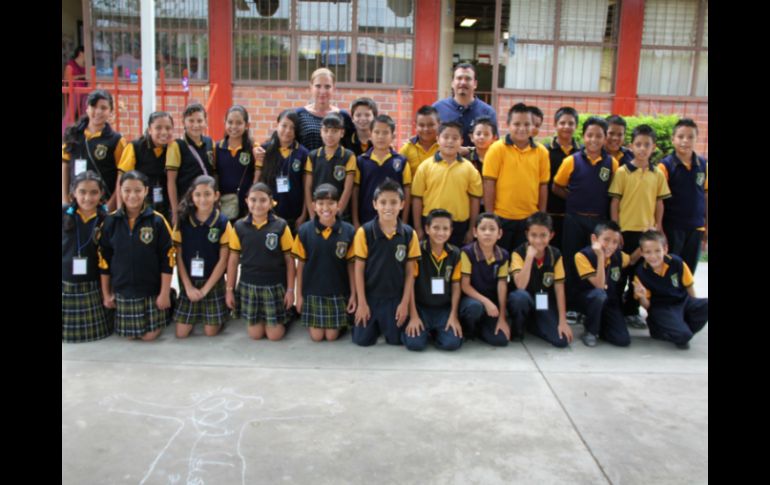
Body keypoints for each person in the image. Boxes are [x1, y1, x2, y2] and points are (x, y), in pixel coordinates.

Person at [98, 170, 175, 341]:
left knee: (149, 336)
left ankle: (170, 297)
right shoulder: (110, 222)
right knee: (130, 336)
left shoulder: (157, 221)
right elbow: (104, 260)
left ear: (146, 191)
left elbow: (167, 259)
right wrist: (107, 294)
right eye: (127, 190)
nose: (132, 195)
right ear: (120, 190)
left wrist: (163, 293)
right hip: (123, 290)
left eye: (138, 190)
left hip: (150, 290)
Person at [552, 117, 618, 311]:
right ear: (583, 136)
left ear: (605, 138)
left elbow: (613, 193)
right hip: (574, 219)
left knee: (594, 261)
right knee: (572, 261)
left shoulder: (611, 163)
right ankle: (571, 306)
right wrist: (573, 198)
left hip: (598, 222)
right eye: (589, 135)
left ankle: (590, 304)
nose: (594, 140)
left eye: (599, 136)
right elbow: (557, 186)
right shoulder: (571, 161)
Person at [609, 124, 671, 328]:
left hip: (647, 233)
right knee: (620, 272)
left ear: (654, 147)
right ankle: (615, 308)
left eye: (647, 145)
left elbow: (659, 202)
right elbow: (615, 202)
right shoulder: (622, 171)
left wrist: (658, 227)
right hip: (625, 231)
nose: (643, 149)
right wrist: (616, 230)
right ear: (631, 146)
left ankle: (632, 310)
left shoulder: (658, 174)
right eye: (638, 144)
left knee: (640, 274)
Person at [352, 179, 421, 346]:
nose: (388, 207)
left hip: (394, 298)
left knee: (396, 340)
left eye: (393, 202)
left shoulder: (409, 234)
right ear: (375, 204)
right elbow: (359, 270)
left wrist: (404, 304)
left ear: (402, 204)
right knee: (362, 340)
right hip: (370, 297)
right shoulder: (364, 232)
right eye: (383, 202)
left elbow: (410, 273)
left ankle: (386, 324)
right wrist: (361, 302)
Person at [226, 183, 295, 341]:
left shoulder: (281, 226)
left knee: (274, 335)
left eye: (263, 200)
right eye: (253, 200)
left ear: (271, 202)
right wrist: (229, 289)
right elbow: (233, 260)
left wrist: (290, 290)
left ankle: (287, 316)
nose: (258, 205)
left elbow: (290, 261)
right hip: (249, 285)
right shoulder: (239, 226)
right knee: (255, 335)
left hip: (274, 285)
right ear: (246, 201)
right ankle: (267, 318)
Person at [292, 184, 357, 342]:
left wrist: (354, 295)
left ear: (338, 205)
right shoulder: (304, 231)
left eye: (330, 203)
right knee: (317, 337)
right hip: (313, 292)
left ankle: (341, 321)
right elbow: (300, 266)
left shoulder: (348, 231)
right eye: (321, 204)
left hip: (337, 292)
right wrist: (298, 295)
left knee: (331, 336)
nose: (325, 208)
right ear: (313, 206)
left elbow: (351, 266)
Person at [482, 103, 550, 252]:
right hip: (501, 216)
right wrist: (490, 216)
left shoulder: (542, 152)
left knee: (524, 261)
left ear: (533, 126)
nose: (522, 128)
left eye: (527, 124)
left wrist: (541, 216)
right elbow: (489, 182)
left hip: (529, 218)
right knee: (500, 260)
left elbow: (543, 185)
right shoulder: (496, 149)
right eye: (517, 124)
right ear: (508, 125)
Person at [172, 175, 232, 338]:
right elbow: (178, 256)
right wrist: (188, 287)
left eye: (207, 194)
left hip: (213, 282)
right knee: (181, 333)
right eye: (198, 194)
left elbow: (223, 260)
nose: (202, 199)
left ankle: (219, 311)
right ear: (192, 196)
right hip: (189, 281)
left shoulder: (222, 222)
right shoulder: (183, 220)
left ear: (216, 196)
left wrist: (205, 290)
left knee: (210, 332)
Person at [411, 121, 482, 247]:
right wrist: (418, 228)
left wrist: (471, 229)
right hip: (431, 223)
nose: (450, 141)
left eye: (455, 138)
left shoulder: (469, 168)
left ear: (461, 141)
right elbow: (417, 198)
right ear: (438, 139)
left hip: (459, 225)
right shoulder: (425, 167)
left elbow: (475, 199)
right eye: (446, 137)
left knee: (455, 262)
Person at [633, 230, 708, 350]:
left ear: (665, 249)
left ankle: (679, 325)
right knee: (684, 337)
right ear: (641, 253)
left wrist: (694, 307)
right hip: (662, 308)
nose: (653, 256)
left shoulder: (676, 262)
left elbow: (689, 286)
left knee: (705, 305)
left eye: (658, 251)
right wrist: (641, 296)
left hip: (683, 301)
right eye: (648, 252)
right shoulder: (640, 273)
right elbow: (646, 305)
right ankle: (659, 329)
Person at [507, 212, 573, 347]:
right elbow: (520, 285)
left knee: (561, 341)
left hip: (543, 301)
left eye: (543, 235)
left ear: (551, 235)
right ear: (526, 235)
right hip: (524, 298)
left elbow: (559, 289)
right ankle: (518, 328)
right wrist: (529, 258)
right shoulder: (518, 253)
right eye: (534, 235)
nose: (538, 240)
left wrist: (562, 321)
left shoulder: (556, 255)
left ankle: (533, 323)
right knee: (520, 297)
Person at [402, 209, 463, 351]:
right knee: (414, 344)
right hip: (421, 308)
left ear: (451, 231)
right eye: (436, 228)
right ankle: (424, 331)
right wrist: (413, 316)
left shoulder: (455, 253)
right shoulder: (417, 251)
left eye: (445, 228)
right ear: (427, 229)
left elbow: (456, 286)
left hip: (443, 308)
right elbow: (409, 283)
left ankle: (436, 332)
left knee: (451, 344)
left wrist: (453, 315)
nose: (441, 233)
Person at [62, 171, 112, 343]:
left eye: (93, 193)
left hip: (93, 285)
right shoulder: (64, 214)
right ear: (73, 193)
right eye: (82, 192)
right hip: (66, 283)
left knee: (95, 334)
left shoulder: (107, 220)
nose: (87, 198)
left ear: (101, 194)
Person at [574, 221, 638, 347]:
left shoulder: (618, 255)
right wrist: (600, 257)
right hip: (588, 300)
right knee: (599, 294)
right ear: (594, 239)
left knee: (623, 340)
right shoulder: (582, 256)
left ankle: (601, 325)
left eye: (615, 242)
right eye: (606, 240)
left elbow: (631, 260)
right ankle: (590, 331)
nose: (610, 245)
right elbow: (599, 285)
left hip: (609, 302)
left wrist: (644, 245)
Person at [62, 89, 127, 212]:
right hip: (75, 205)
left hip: (103, 205)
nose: (98, 112)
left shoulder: (117, 140)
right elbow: (65, 165)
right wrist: (65, 200)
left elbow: (121, 176)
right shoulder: (73, 135)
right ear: (87, 108)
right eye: (94, 106)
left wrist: (110, 206)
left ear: (110, 112)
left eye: (103, 108)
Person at [657, 118, 708, 274]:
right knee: (670, 269)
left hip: (695, 227)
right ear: (673, 139)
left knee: (688, 270)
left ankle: (686, 298)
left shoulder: (703, 165)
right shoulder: (665, 166)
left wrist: (706, 226)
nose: (685, 141)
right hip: (672, 228)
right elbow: (658, 200)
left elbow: (705, 196)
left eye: (690, 137)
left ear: (696, 139)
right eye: (680, 137)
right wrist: (659, 226)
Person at [458, 213, 510, 346]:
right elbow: (465, 286)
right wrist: (486, 302)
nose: (487, 233)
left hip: (491, 305)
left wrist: (502, 318)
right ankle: (470, 330)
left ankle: (483, 329)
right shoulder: (466, 253)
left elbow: (502, 284)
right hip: (472, 300)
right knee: (474, 308)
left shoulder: (503, 255)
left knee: (501, 340)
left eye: (492, 229)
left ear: (500, 233)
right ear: (475, 232)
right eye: (483, 229)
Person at [255, 110, 310, 234]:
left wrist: (303, 214)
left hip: (294, 215)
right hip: (267, 214)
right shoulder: (264, 150)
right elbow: (257, 181)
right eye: (284, 125)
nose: (287, 131)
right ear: (277, 125)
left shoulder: (303, 153)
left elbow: (307, 186)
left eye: (292, 128)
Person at [352, 114, 411, 227]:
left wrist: (403, 222)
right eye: (377, 132)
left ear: (393, 136)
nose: (380, 136)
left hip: (394, 221)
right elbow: (355, 192)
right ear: (370, 135)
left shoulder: (401, 161)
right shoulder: (361, 161)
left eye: (385, 133)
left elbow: (407, 193)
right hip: (366, 220)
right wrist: (355, 221)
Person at [117, 112, 175, 221]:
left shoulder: (174, 148)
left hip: (166, 205)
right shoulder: (135, 147)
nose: (164, 132)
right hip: (140, 204)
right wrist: (120, 209)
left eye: (168, 128)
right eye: (158, 128)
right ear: (149, 130)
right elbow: (121, 179)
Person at [166, 103, 215, 228]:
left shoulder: (210, 143)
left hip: (206, 203)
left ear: (205, 122)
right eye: (191, 121)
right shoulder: (176, 146)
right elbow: (171, 181)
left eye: (199, 120)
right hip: (186, 204)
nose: (195, 125)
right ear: (183, 122)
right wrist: (175, 210)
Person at [303, 113, 356, 222]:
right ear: (321, 132)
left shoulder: (348, 156)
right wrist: (312, 214)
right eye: (326, 131)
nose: (329, 135)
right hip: (318, 213)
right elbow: (308, 187)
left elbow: (348, 188)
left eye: (334, 131)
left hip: (340, 216)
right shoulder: (313, 156)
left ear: (342, 133)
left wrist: (337, 213)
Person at [433, 63, 497, 147]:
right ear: (452, 83)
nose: (463, 82)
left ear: (475, 84)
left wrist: (469, 151)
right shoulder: (437, 109)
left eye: (468, 79)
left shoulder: (488, 112)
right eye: (459, 78)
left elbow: (494, 146)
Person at [544, 106, 580, 251]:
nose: (566, 127)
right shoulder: (545, 151)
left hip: (573, 213)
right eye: (562, 123)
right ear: (555, 124)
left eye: (571, 123)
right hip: (550, 211)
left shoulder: (581, 153)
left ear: (576, 126)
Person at [295, 68, 354, 151]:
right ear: (311, 87)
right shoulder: (299, 115)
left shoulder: (343, 116)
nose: (322, 91)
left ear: (333, 88)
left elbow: (350, 147)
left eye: (327, 86)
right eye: (318, 86)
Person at [215, 105, 256, 221]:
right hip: (222, 205)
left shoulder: (253, 148)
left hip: (245, 207)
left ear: (247, 126)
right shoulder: (217, 148)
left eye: (239, 123)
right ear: (225, 123)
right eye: (230, 122)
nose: (234, 126)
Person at [399, 105, 441, 175]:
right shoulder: (407, 149)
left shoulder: (444, 147)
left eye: (431, 125)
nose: (426, 129)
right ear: (415, 126)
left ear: (439, 124)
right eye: (421, 125)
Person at [63, 46, 87, 122]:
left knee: (85, 114)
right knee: (70, 114)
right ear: (81, 53)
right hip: (74, 92)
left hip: (85, 92)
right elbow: (66, 79)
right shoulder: (71, 64)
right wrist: (81, 76)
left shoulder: (86, 65)